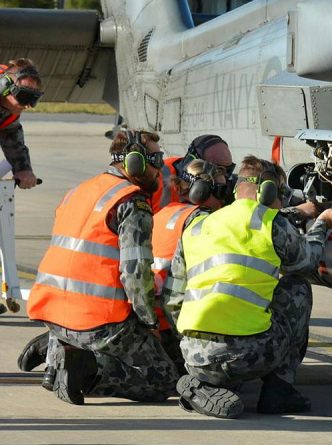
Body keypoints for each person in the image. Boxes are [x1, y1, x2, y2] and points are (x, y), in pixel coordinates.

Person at [165, 156, 332, 419]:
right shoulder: (271, 222)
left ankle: (204, 383)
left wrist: (195, 345)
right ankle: (279, 391)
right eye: (280, 194)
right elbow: (306, 261)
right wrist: (322, 222)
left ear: (236, 189)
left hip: (195, 355)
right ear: (267, 191)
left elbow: (173, 299)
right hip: (251, 357)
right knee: (297, 286)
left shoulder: (195, 226)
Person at [25, 129, 180, 405]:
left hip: (55, 314)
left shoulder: (78, 191)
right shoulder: (131, 202)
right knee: (164, 378)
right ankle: (87, 371)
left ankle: (58, 354)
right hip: (98, 321)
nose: (160, 169)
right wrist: (149, 322)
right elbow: (134, 273)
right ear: (135, 162)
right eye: (156, 158)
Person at [152, 159, 230, 369]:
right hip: (173, 329)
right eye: (221, 191)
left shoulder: (163, 213)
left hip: (151, 323)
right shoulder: (202, 222)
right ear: (202, 191)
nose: (224, 199)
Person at [150, 134, 236, 213]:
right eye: (217, 171)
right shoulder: (153, 178)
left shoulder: (226, 183)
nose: (223, 179)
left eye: (228, 171)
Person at [0, 58, 42, 189]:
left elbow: (10, 133)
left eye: (33, 99)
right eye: (24, 97)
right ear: (5, 85)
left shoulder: (9, 112)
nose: (28, 106)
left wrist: (23, 169)